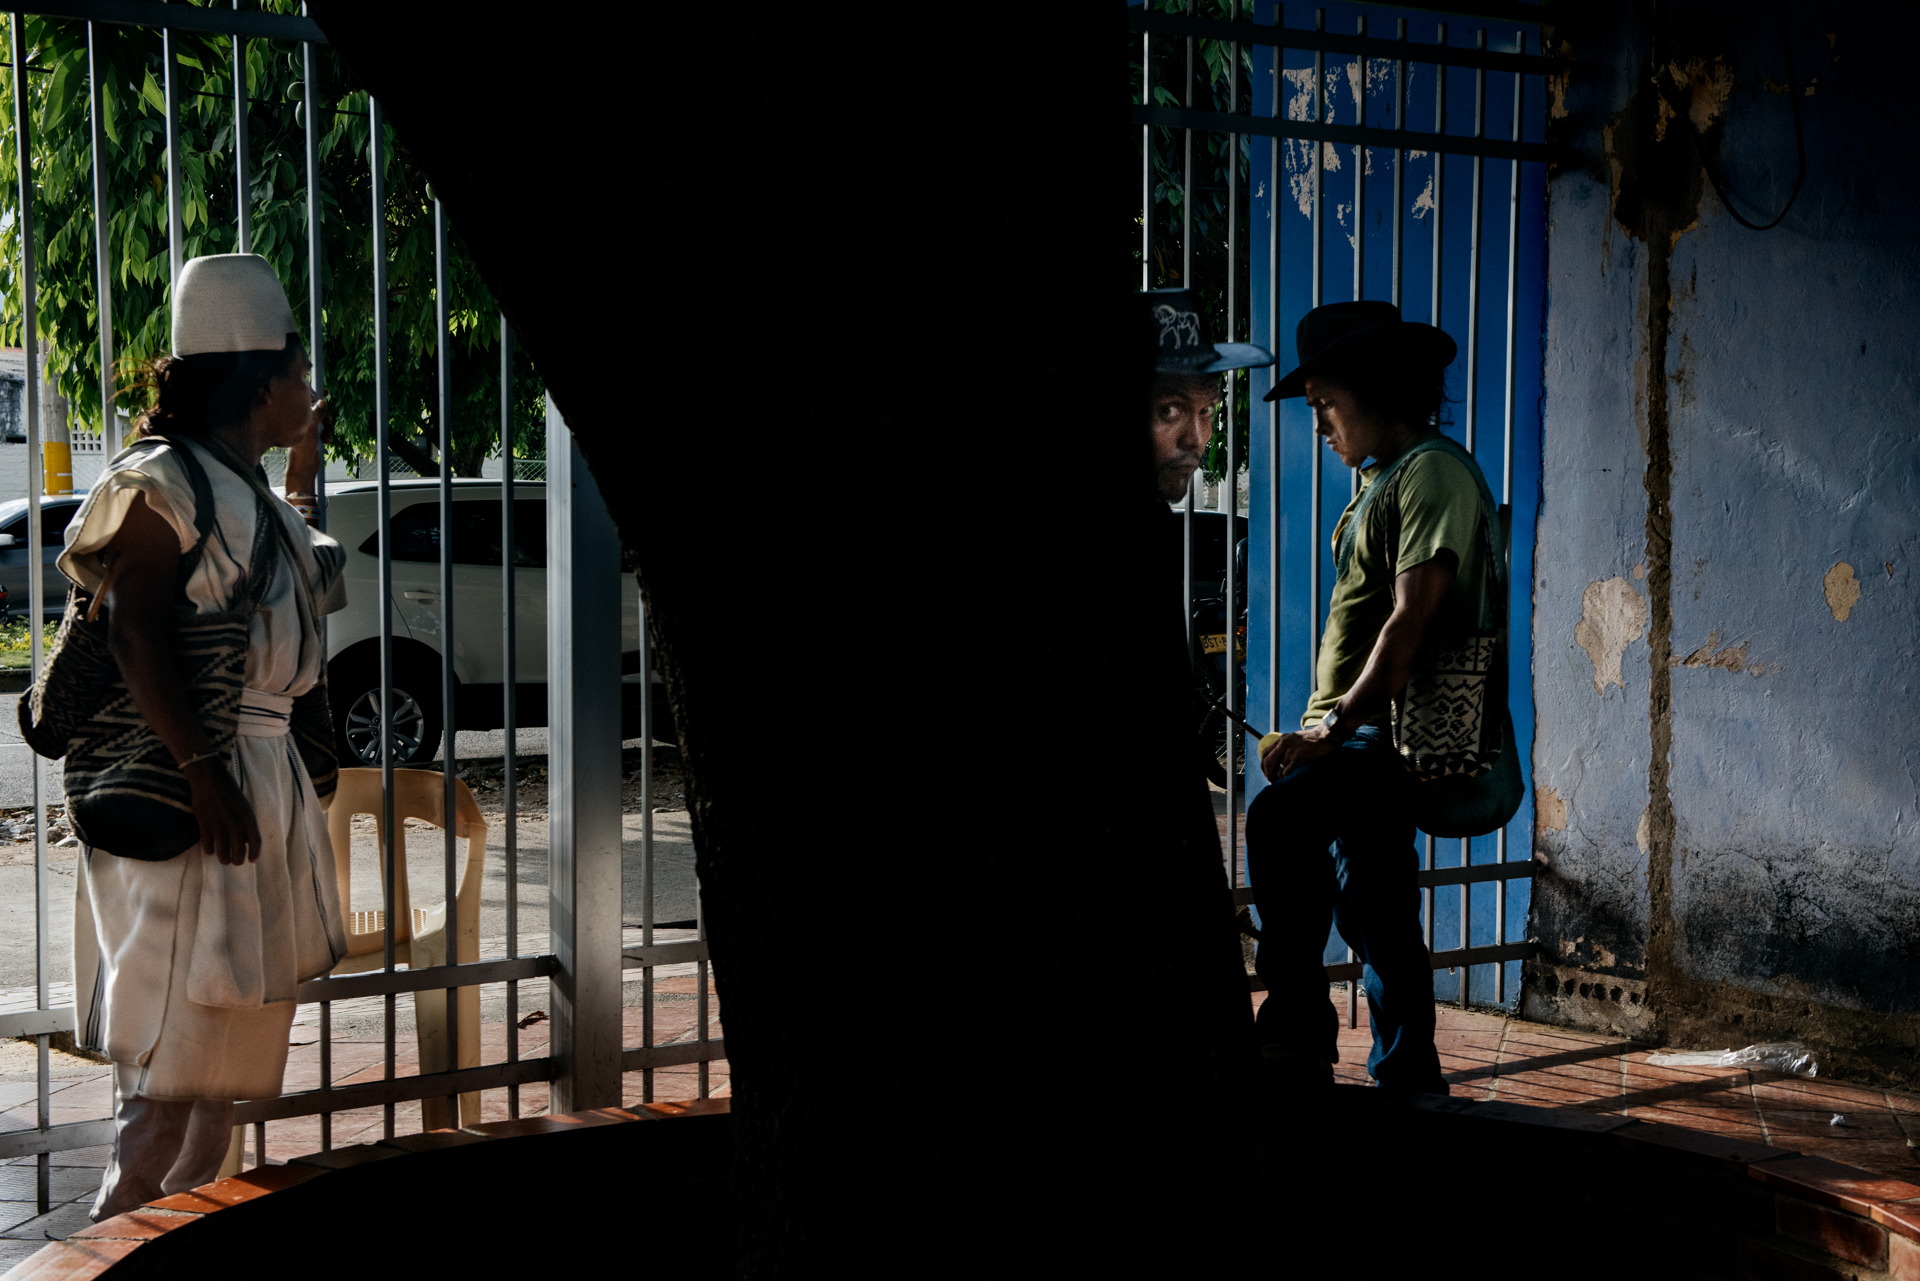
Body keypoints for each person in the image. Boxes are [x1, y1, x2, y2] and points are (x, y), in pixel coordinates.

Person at [61, 254, 349, 1219]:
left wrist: (301, 484)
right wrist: (202, 769)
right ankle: (110, 1245)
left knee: (220, 1068)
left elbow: (306, 587)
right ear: (262, 384)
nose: (309, 392)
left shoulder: (243, 487)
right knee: (169, 1069)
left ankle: (172, 1238)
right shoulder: (161, 480)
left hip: (249, 788)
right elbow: (129, 627)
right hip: (194, 800)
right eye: (300, 374)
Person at [1246, 300, 1489, 1094]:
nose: (1319, 424)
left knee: (1278, 819)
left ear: (1379, 392)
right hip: (1353, 730)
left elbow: (1409, 621)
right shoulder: (1383, 478)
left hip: (1379, 734)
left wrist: (1330, 728)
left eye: (1326, 403)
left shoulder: (1432, 472)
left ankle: (1295, 1027)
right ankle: (1410, 1077)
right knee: (1378, 907)